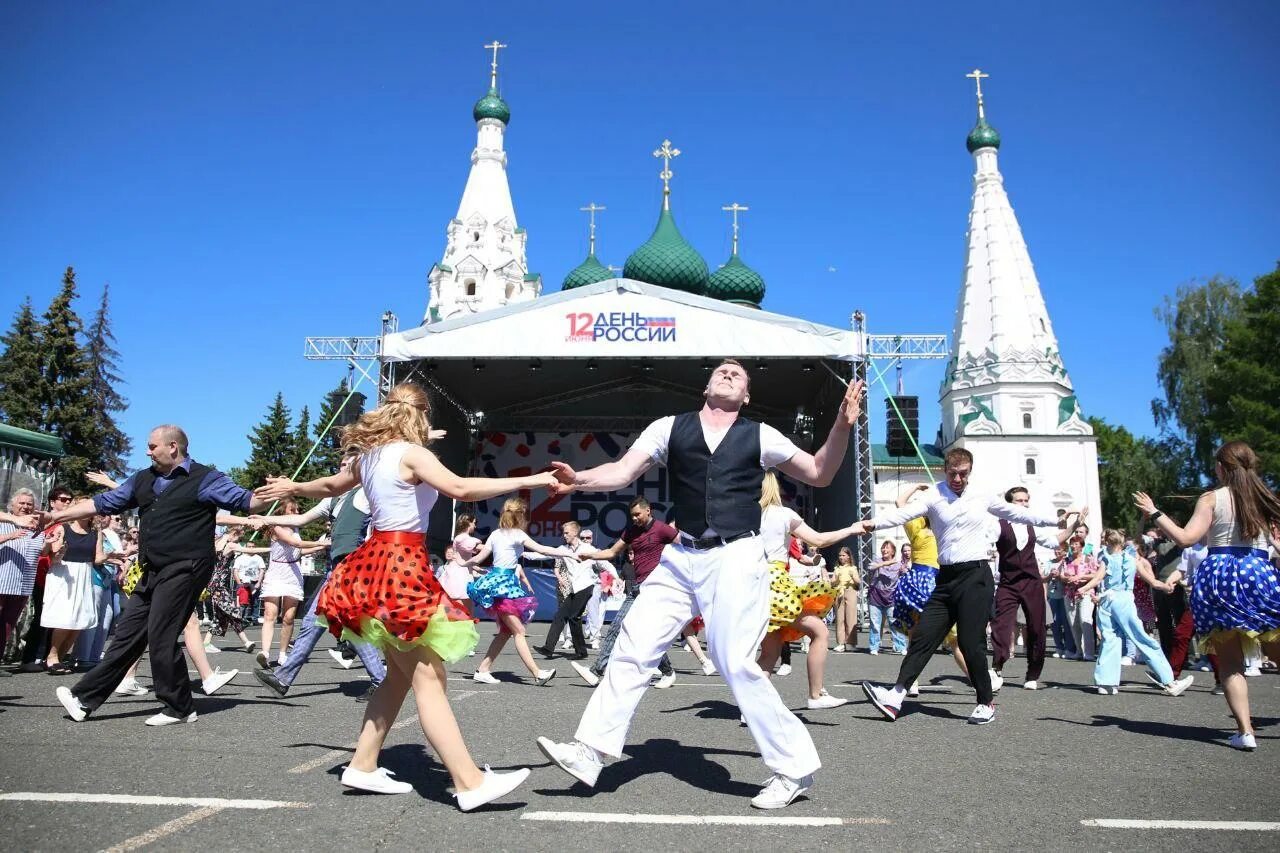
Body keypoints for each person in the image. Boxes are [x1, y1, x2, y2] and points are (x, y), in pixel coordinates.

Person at [537, 360, 866, 810]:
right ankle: (590, 751)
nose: (729, 374)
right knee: (633, 646)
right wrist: (579, 481)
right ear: (706, 385)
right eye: (722, 371)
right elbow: (620, 471)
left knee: (734, 662)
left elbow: (820, 473)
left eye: (738, 375)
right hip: (681, 554)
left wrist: (842, 427)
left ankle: (793, 768)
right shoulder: (669, 427)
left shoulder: (761, 434)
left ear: (746, 396)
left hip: (735, 555)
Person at [254, 382, 552, 808]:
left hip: (375, 563)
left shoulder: (372, 456)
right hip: (400, 564)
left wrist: (293, 487)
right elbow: (462, 489)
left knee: (399, 675)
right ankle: (469, 783)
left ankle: (362, 763)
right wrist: (534, 478)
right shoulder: (411, 455)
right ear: (420, 417)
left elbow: (330, 484)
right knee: (428, 677)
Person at [50, 424, 274, 726]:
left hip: (187, 566)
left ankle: (179, 707)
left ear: (173, 447)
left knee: (162, 633)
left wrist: (274, 491)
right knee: (128, 633)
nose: (147, 451)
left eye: (152, 446)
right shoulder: (143, 479)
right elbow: (104, 502)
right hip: (152, 568)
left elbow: (247, 501)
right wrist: (56, 515)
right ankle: (83, 700)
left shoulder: (206, 478)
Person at [860, 447, 1082, 725]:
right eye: (952, 473)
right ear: (945, 470)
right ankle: (895, 696)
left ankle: (985, 702)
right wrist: (871, 524)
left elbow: (1017, 514)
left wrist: (1056, 520)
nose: (957, 478)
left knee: (969, 642)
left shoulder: (982, 495)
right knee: (924, 636)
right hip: (945, 579)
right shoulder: (934, 495)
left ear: (970, 472)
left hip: (975, 577)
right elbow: (902, 514)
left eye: (962, 474)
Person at [1135, 441, 1280, 751]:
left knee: (1230, 663)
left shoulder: (1212, 498)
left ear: (1220, 467)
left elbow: (1187, 539)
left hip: (1221, 576)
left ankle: (1246, 731)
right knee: (1276, 646)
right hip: (1258, 573)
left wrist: (1155, 512)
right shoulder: (1265, 498)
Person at [251, 464, 388, 701]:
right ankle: (283, 678)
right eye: (342, 465)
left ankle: (381, 679)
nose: (342, 468)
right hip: (337, 569)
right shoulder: (333, 501)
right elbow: (301, 518)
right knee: (315, 623)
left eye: (348, 465)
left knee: (346, 626)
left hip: (353, 567)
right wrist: (265, 518)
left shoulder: (366, 493)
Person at [754, 471, 861, 709]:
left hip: (753, 584)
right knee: (820, 632)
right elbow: (819, 540)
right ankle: (815, 695)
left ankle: (751, 708)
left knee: (770, 652)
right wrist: (851, 530)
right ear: (775, 488)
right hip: (775, 582)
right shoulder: (783, 514)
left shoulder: (747, 516)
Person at [569, 496, 680, 688]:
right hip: (636, 588)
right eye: (632, 515)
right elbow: (612, 552)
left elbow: (684, 547)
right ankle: (667, 672)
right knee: (632, 631)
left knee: (631, 630)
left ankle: (596, 671)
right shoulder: (630, 531)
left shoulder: (662, 529)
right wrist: (590, 556)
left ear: (648, 511)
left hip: (654, 589)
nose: (635, 518)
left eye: (637, 514)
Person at [464, 498, 573, 685]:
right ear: (520, 516)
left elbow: (481, 556)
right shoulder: (517, 534)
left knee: (506, 632)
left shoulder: (496, 534)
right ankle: (537, 673)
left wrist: (465, 563)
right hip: (503, 588)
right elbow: (543, 549)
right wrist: (569, 553)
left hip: (497, 585)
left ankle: (483, 669)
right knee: (519, 631)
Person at [1074, 529, 1194, 697]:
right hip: (1123, 601)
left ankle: (1106, 683)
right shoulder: (1132, 559)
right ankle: (1169, 680)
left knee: (1110, 640)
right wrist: (1166, 587)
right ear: (1123, 543)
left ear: (1108, 542)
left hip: (1107, 601)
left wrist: (1084, 588)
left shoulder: (1105, 557)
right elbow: (1152, 581)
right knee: (1141, 638)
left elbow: (1098, 578)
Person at [990, 487, 1076, 691]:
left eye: (1026, 500)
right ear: (1009, 504)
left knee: (1036, 627)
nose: (1024, 503)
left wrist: (1075, 525)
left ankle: (1032, 673)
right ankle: (997, 666)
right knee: (1001, 624)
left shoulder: (1032, 525)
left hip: (1031, 581)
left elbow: (1055, 540)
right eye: (1019, 500)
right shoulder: (998, 525)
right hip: (1008, 582)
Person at [256, 499, 328, 668]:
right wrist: (320, 542)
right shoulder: (277, 527)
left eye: (297, 510)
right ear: (284, 512)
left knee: (288, 618)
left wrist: (320, 548)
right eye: (293, 510)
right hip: (275, 573)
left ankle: (282, 654)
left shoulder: (295, 529)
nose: (296, 513)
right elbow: (294, 543)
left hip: (292, 574)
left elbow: (298, 551)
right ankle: (265, 652)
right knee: (270, 614)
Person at [40, 508, 105, 673]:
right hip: (64, 574)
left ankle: (60, 658)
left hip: (84, 574)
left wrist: (114, 556)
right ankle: (51, 657)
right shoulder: (63, 528)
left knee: (79, 620)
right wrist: (58, 550)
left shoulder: (95, 532)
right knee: (65, 618)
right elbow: (53, 556)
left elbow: (97, 558)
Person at [534, 521, 597, 661]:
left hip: (586, 586)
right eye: (564, 533)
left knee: (574, 616)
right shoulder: (563, 549)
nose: (564, 535)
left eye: (567, 533)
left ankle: (581, 651)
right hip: (574, 589)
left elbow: (604, 562)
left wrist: (616, 577)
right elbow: (543, 554)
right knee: (560, 615)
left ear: (575, 533)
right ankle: (549, 648)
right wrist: (521, 553)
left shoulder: (588, 548)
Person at [0, 489, 45, 667]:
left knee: (7, 626)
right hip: (2, 581)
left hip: (22, 585)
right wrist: (10, 535)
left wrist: (54, 546)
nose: (25, 507)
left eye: (29, 504)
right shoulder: (4, 522)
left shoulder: (37, 530)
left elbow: (42, 554)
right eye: (22, 503)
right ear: (12, 505)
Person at [1060, 528, 1100, 661]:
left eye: (1076, 544)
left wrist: (1081, 576)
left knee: (1085, 620)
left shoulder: (1088, 559)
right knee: (1073, 623)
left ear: (1082, 546)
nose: (1073, 546)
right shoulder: (1067, 560)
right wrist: (1066, 578)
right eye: (1072, 544)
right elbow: (1061, 575)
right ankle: (1079, 650)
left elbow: (1096, 574)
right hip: (1070, 594)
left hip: (1086, 592)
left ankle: (1089, 652)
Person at [864, 540, 905, 654]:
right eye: (883, 548)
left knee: (894, 623)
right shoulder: (876, 561)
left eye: (887, 548)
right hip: (875, 597)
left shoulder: (898, 564)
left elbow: (906, 573)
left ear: (893, 551)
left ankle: (901, 646)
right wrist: (882, 564)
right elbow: (870, 568)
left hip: (891, 598)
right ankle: (874, 647)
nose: (884, 550)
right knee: (875, 624)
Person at [831, 546, 860, 653]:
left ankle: (851, 643)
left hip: (850, 591)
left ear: (848, 556)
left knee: (851, 618)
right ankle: (840, 643)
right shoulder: (837, 569)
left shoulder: (853, 568)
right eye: (840, 555)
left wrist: (853, 578)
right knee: (840, 619)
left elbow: (858, 581)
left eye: (843, 555)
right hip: (839, 593)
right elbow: (832, 581)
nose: (841, 557)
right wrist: (835, 580)